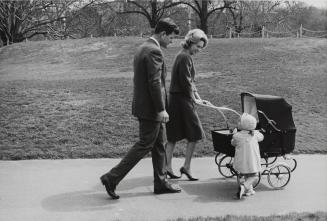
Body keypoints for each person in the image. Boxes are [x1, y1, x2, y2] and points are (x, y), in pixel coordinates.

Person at [100, 18, 181, 200]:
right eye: (171, 38)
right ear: (162, 34)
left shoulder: (144, 47)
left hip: (145, 106)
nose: (172, 41)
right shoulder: (154, 51)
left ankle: (160, 183)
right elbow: (154, 83)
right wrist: (161, 109)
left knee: (159, 144)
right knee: (145, 144)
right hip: (151, 109)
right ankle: (111, 178)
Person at [165, 29, 209, 181]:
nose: (199, 50)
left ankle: (168, 167)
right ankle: (184, 167)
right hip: (181, 100)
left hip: (179, 99)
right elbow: (185, 82)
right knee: (195, 133)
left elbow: (190, 81)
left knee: (173, 136)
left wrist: (198, 97)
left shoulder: (184, 55)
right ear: (190, 42)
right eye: (198, 46)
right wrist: (193, 98)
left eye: (201, 48)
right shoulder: (184, 57)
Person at [231, 113, 264, 199]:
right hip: (252, 161)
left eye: (239, 122)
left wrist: (233, 134)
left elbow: (233, 143)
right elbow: (262, 137)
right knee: (254, 175)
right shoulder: (255, 134)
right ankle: (244, 186)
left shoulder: (237, 136)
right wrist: (256, 131)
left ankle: (249, 190)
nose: (238, 123)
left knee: (246, 175)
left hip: (241, 161)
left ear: (243, 125)